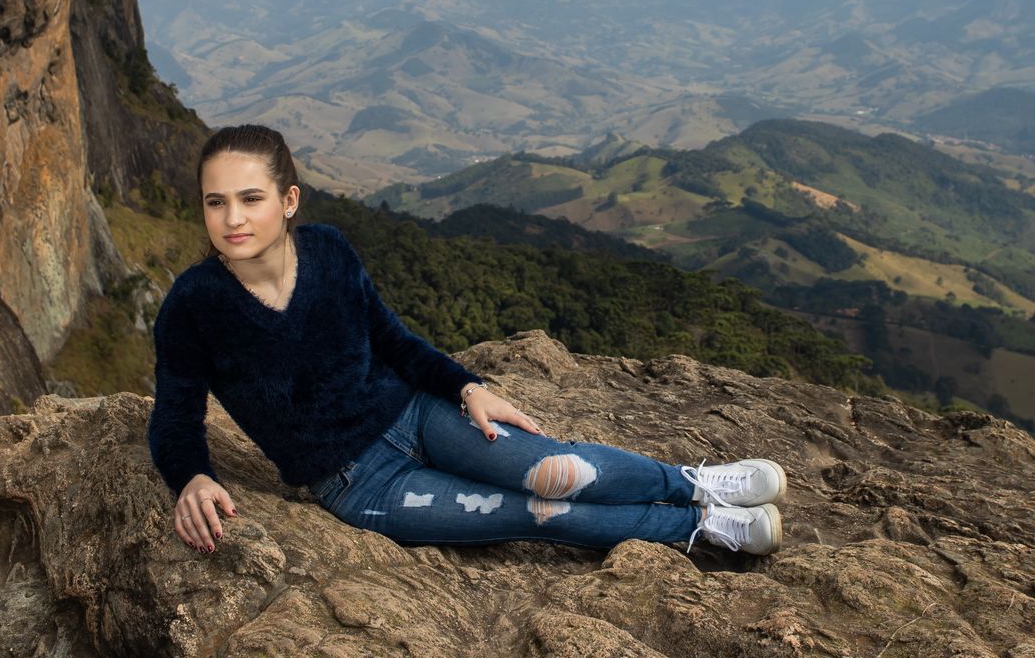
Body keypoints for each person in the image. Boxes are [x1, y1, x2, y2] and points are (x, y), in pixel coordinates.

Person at [145, 124, 787, 559]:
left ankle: (694, 483)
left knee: (555, 472)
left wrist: (465, 385)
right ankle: (699, 529)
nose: (232, 218)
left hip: (417, 414)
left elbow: (391, 339)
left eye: (250, 198)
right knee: (539, 515)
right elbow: (175, 416)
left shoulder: (330, 251)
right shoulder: (194, 306)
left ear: (288, 200)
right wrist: (193, 477)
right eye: (215, 202)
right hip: (358, 483)